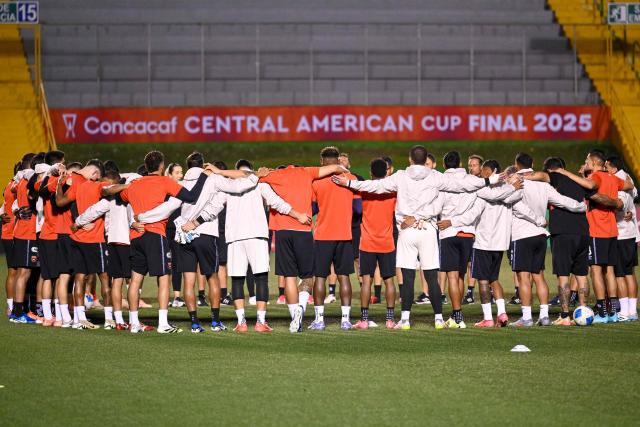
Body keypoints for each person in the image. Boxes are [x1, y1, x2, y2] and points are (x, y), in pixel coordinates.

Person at [333, 145, 503, 329]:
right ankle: (438, 318)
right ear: (425, 160)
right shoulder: (436, 176)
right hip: (428, 229)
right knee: (431, 277)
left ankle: (405, 319)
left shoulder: (401, 176)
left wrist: (349, 183)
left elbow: (375, 186)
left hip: (407, 230)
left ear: (410, 159)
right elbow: (464, 184)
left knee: (407, 277)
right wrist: (489, 180)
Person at [137, 151, 264, 333]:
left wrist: (142, 218)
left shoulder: (179, 183)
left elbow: (168, 207)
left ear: (188, 167)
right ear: (204, 164)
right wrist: (250, 176)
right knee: (212, 277)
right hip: (206, 233)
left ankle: (195, 323)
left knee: (189, 281)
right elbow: (239, 186)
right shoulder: (212, 179)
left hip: (184, 236)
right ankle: (214, 321)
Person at [184, 159, 309, 332]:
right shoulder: (259, 183)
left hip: (235, 237)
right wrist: (298, 215)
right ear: (251, 171)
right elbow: (277, 202)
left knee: (237, 279)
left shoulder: (228, 187)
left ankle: (241, 322)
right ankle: (260, 322)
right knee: (261, 278)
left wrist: (195, 222)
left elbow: (213, 207)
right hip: (256, 235)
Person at [118, 150, 212, 334]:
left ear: (146, 167)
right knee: (163, 279)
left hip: (136, 236)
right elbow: (191, 197)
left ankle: (134, 323)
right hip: (155, 234)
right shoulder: (165, 181)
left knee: (135, 280)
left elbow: (121, 200)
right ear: (162, 166)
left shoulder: (134, 185)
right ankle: (163, 324)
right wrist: (203, 178)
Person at [440, 160, 531, 328]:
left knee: (483, 280)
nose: (482, 175)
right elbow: (515, 197)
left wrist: (451, 221)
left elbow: (471, 215)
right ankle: (502, 313)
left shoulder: (483, 192)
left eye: (485, 171)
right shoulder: (511, 193)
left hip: (483, 242)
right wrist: (511, 185)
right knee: (493, 279)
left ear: (495, 172)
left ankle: (488, 318)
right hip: (501, 243)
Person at [259, 161, 347, 333]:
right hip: (303, 229)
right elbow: (335, 168)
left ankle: (294, 318)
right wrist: (344, 169)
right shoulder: (306, 172)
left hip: (282, 231)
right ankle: (301, 307)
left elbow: (252, 176)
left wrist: (264, 170)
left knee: (289, 277)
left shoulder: (275, 175)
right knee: (307, 276)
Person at [547, 150, 634, 323]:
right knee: (609, 271)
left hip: (597, 229)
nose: (585, 163)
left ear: (594, 163)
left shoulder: (597, 177)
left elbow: (589, 186)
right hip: (612, 230)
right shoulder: (612, 177)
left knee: (595, 271)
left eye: (587, 161)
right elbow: (629, 185)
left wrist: (564, 172)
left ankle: (602, 312)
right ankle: (613, 312)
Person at [509, 153, 587, 327]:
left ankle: (527, 317)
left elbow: (516, 204)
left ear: (516, 164)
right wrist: (581, 206)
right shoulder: (544, 185)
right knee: (539, 276)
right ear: (533, 164)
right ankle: (544, 316)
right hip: (541, 236)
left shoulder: (517, 180)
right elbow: (563, 201)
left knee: (523, 278)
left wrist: (536, 219)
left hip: (523, 233)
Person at [72, 167, 140, 330]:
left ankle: (117, 321)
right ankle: (133, 321)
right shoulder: (132, 194)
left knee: (116, 281)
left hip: (112, 242)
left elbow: (92, 211)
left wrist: (77, 222)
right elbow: (135, 177)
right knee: (132, 283)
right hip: (128, 242)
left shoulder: (108, 200)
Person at [309, 147, 361, 331]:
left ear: (322, 161)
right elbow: (358, 209)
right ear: (338, 159)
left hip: (323, 235)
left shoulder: (316, 181)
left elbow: (312, 209)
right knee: (344, 276)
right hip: (344, 235)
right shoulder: (351, 179)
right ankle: (345, 320)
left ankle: (319, 320)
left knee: (321, 277)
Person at [352, 158, 397, 329]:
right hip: (386, 242)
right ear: (387, 172)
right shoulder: (393, 192)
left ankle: (364, 320)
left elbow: (356, 208)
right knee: (389, 281)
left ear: (370, 173)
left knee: (366, 280)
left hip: (367, 242)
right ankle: (390, 320)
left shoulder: (364, 190)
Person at [436, 151, 477, 328]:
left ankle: (457, 316)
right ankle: (456, 314)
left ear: (444, 165)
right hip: (467, 233)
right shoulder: (470, 180)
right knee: (460, 275)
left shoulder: (441, 182)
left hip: (448, 232)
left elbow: (437, 206)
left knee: (452, 276)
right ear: (460, 163)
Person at [9, 153, 42, 324]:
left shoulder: (20, 182)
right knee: (25, 273)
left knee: (26, 273)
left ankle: (20, 310)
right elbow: (32, 199)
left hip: (22, 230)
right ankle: (18, 312)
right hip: (28, 232)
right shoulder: (30, 183)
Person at [605, 156, 639, 321]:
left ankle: (624, 312)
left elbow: (621, 203)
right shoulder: (628, 177)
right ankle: (632, 312)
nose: (605, 170)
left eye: (606, 167)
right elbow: (635, 194)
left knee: (619, 274)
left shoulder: (618, 180)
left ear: (612, 168)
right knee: (630, 273)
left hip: (620, 233)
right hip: (631, 233)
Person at [463, 154, 484, 304]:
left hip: (482, 228)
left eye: (474, 165)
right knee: (470, 262)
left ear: (481, 167)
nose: (471, 168)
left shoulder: (484, 183)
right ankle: (470, 292)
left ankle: (485, 290)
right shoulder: (467, 181)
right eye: (470, 165)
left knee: (479, 261)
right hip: (470, 226)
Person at [164, 162, 185, 308]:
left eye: (181, 172)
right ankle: (164, 295)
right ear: (169, 174)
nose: (181, 175)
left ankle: (177, 296)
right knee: (164, 265)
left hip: (178, 231)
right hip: (164, 230)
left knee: (177, 263)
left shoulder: (183, 189)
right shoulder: (162, 188)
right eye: (177, 172)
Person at [1, 161, 20, 318]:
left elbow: (4, 206)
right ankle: (13, 307)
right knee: (16, 272)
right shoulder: (17, 186)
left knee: (14, 272)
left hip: (9, 233)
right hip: (14, 233)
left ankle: (12, 306)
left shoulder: (9, 185)